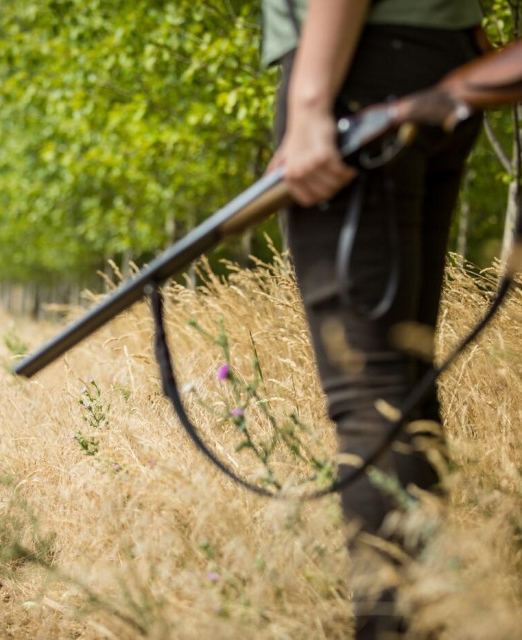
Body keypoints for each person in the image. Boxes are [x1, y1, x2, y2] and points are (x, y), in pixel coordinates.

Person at [261, 0, 485, 637]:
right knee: (403, 388)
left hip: (354, 67)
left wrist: (308, 107)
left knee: (373, 397)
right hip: (437, 64)